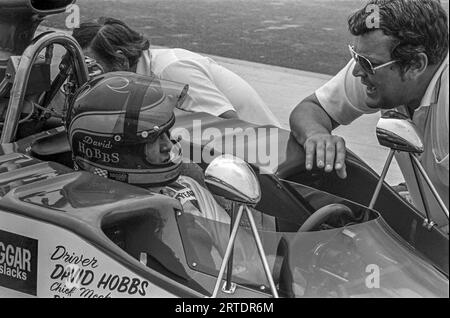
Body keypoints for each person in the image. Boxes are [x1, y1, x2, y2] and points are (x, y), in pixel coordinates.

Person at [67, 71, 275, 287]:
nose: (168, 145)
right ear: (118, 151)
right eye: (154, 138)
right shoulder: (88, 223)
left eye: (167, 133)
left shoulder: (187, 187)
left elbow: (249, 263)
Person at [289, 0, 448, 227]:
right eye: (355, 56)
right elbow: (311, 109)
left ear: (415, 65)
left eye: (366, 63)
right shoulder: (379, 62)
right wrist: (316, 135)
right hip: (429, 221)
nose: (356, 71)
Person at [71, 17, 280, 127]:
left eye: (92, 65)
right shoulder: (137, 75)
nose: (88, 74)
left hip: (263, 154)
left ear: (121, 59)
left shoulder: (170, 70)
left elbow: (230, 123)